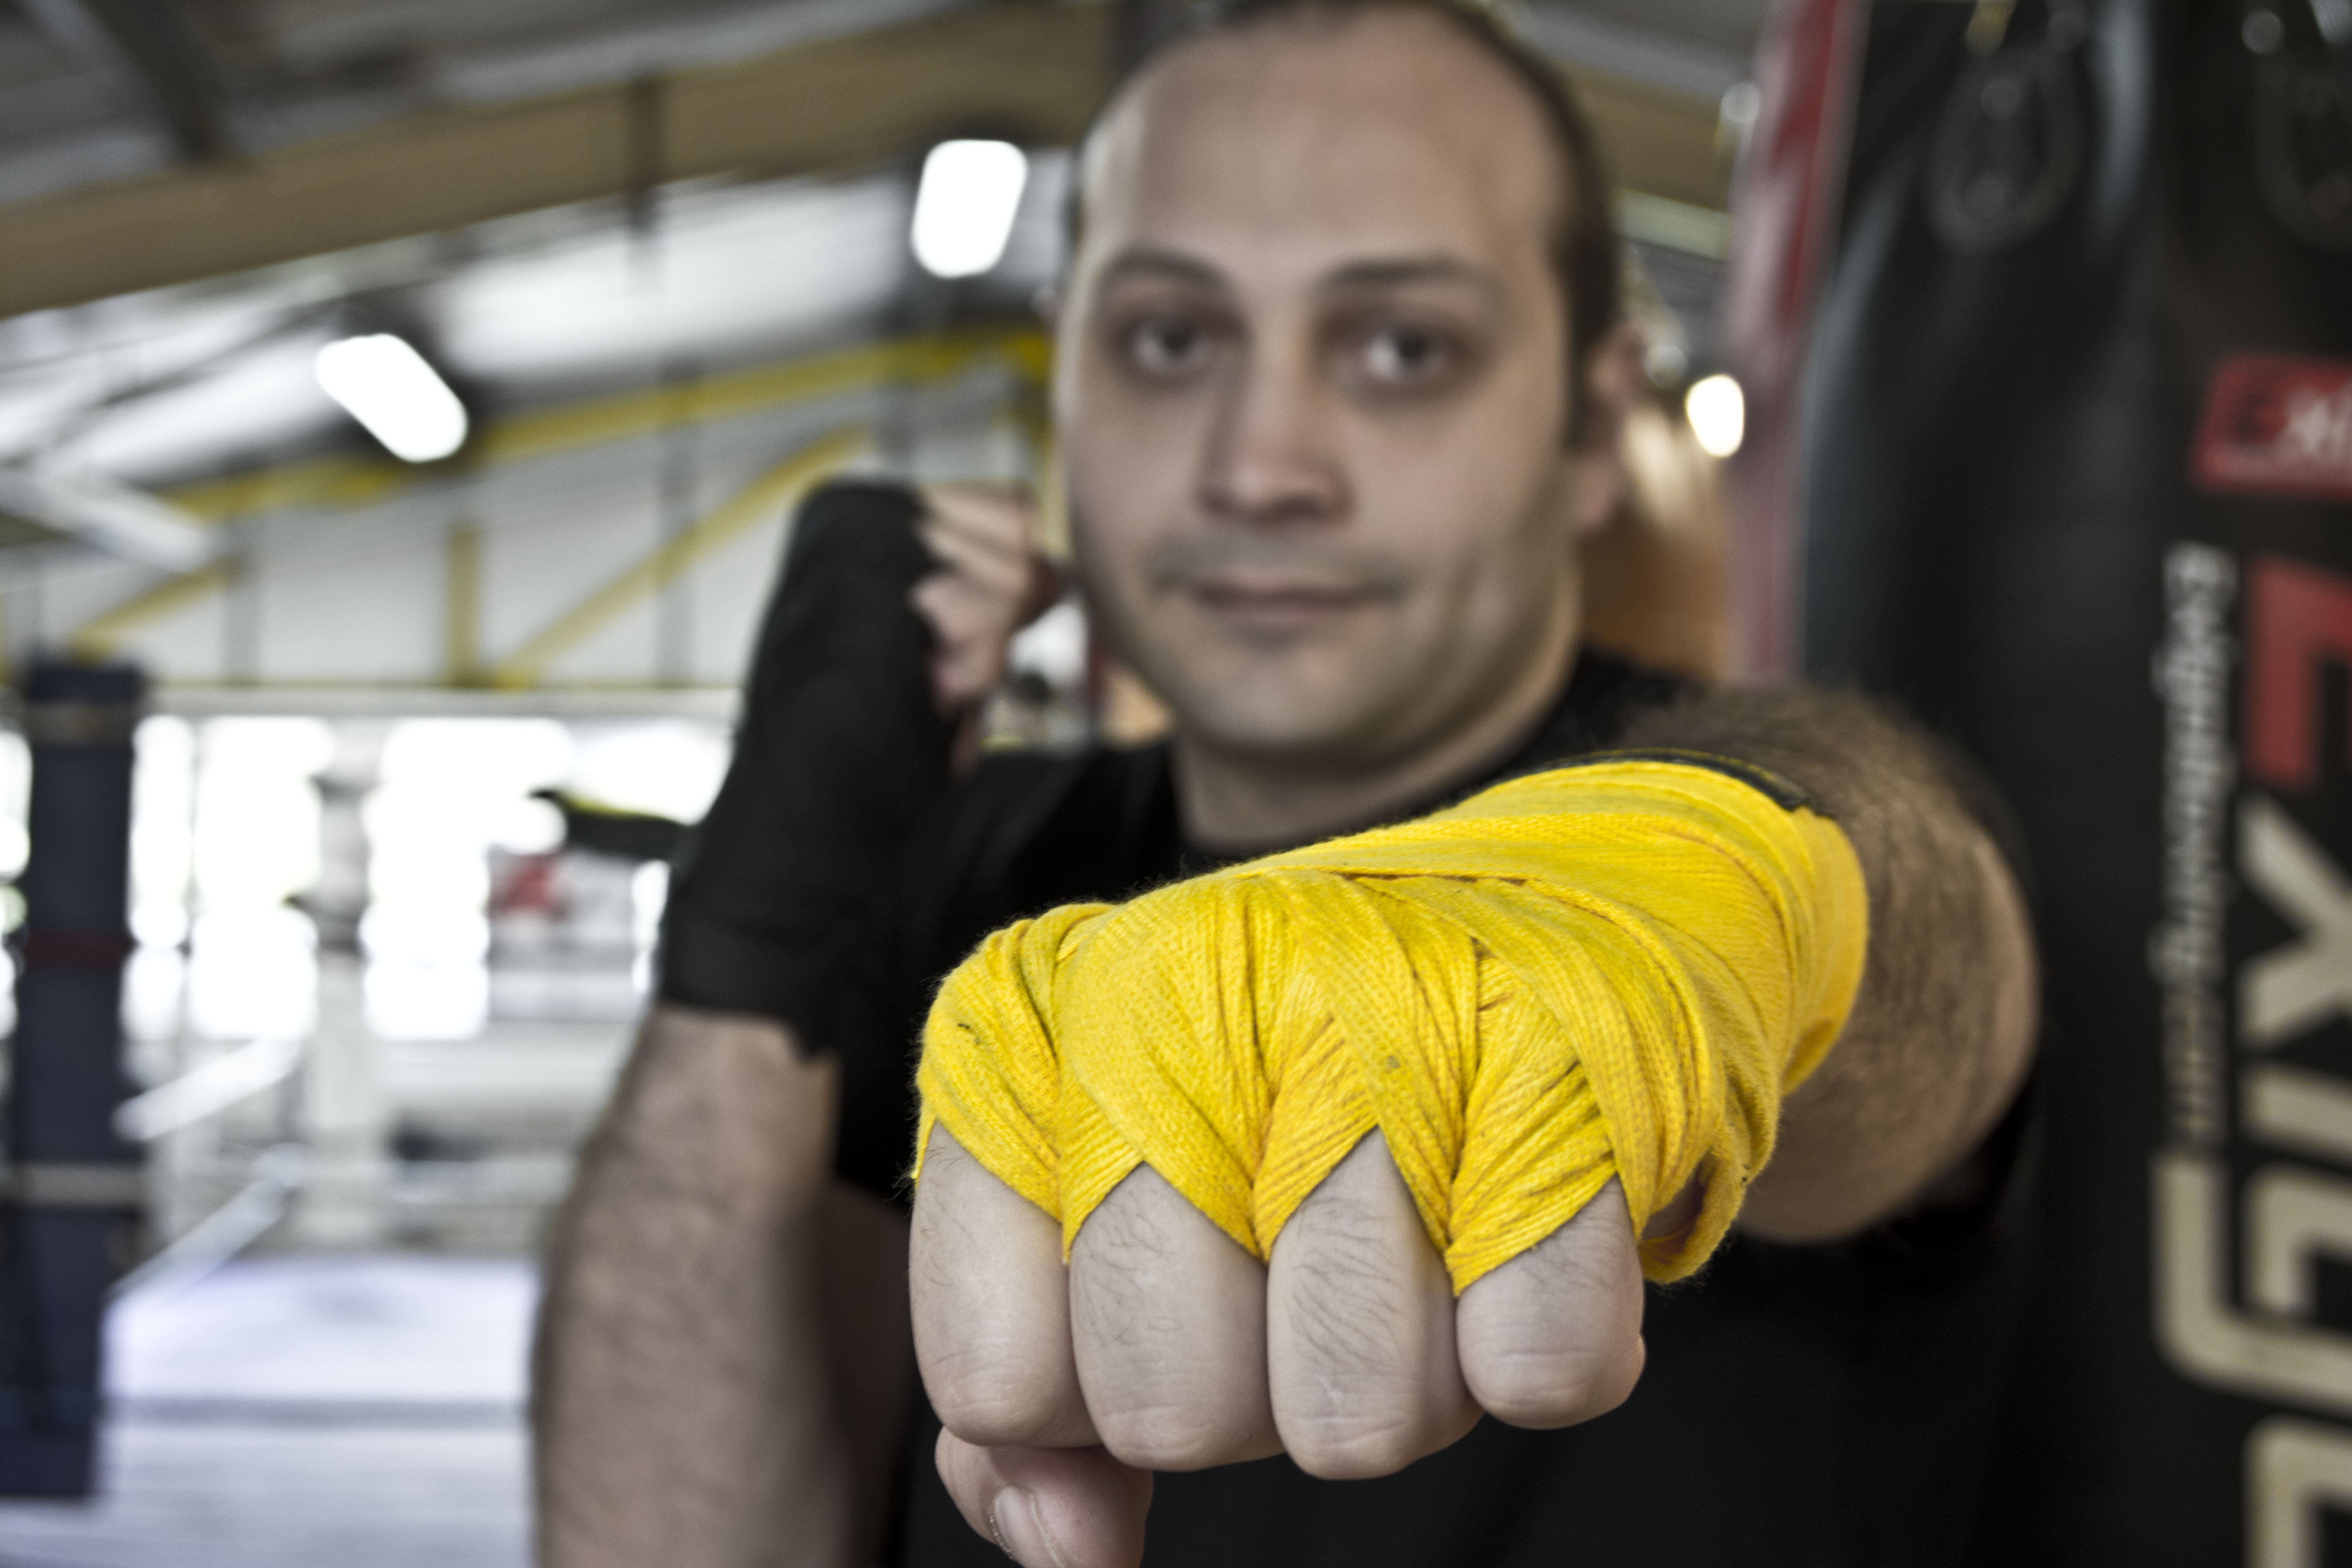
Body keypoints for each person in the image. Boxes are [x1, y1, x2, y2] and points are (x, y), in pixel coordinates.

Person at [531, 4, 2041, 1565]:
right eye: (1171, 339)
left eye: (1403, 348)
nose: (1260, 467)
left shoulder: (1762, 813)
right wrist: (746, 946)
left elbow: (1917, 943)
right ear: (1068, 376)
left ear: (1593, 425)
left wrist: (1656, 915)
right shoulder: (958, 869)